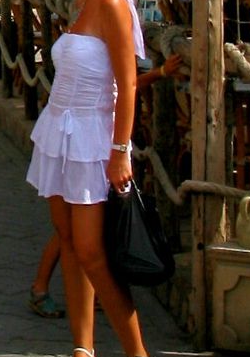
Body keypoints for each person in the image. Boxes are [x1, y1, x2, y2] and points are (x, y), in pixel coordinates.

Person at [26, 0, 163, 357]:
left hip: (91, 137)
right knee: (68, 240)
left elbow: (127, 83)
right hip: (60, 134)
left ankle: (138, 354)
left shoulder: (110, 4)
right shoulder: (83, 4)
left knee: (91, 250)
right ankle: (82, 348)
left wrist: (120, 151)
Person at [27, 50, 183, 320]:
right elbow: (126, 86)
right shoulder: (97, 47)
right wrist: (160, 73)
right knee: (72, 230)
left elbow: (124, 85)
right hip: (89, 144)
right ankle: (43, 288)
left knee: (80, 229)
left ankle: (74, 294)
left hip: (98, 141)